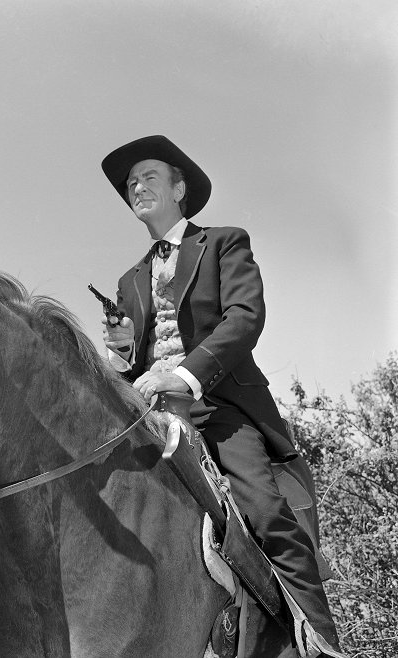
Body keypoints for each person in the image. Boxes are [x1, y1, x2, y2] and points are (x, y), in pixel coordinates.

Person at [100, 135, 343, 657]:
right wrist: (124, 354)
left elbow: (243, 319)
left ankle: (323, 643)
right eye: (130, 183)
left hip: (219, 405)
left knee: (264, 509)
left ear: (179, 188)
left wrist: (185, 377)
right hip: (146, 411)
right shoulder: (129, 279)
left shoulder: (226, 241)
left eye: (148, 177)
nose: (136, 187)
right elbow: (138, 363)